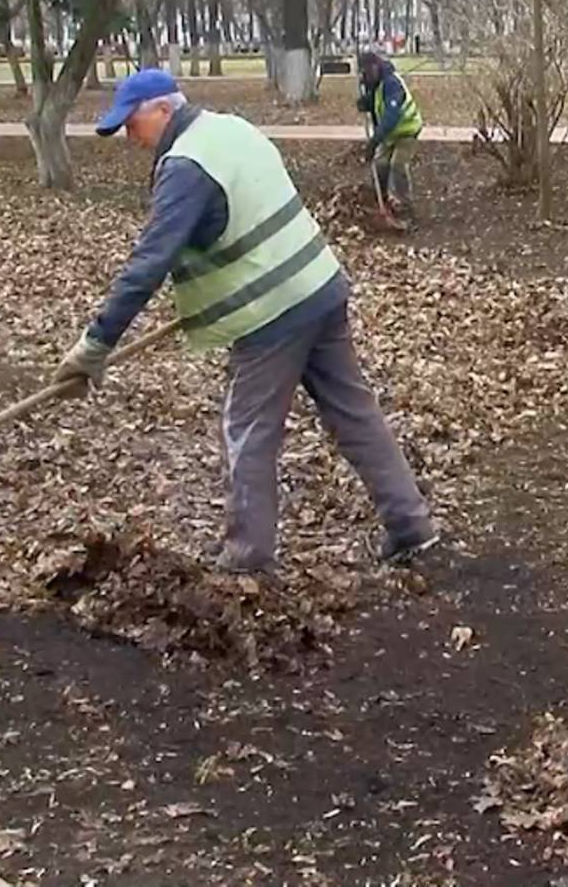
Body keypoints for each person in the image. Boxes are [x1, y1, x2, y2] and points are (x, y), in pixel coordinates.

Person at [52, 68, 438, 573]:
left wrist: (96, 344)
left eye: (132, 123)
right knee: (354, 412)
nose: (130, 137)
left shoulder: (187, 165)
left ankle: (247, 560)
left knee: (247, 431)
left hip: (271, 313)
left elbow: (149, 263)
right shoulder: (228, 128)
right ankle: (410, 523)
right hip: (319, 285)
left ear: (164, 110)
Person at [356, 49, 423, 222]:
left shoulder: (392, 83)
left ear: (376, 66)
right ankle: (382, 200)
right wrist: (367, 103)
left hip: (407, 131)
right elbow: (377, 102)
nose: (366, 76)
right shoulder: (376, 83)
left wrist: (374, 142)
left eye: (368, 72)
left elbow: (391, 116)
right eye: (363, 73)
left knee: (397, 165)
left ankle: (405, 207)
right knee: (380, 164)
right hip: (390, 136)